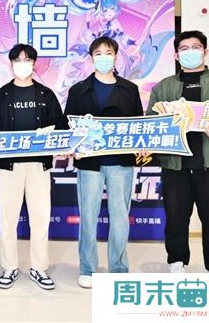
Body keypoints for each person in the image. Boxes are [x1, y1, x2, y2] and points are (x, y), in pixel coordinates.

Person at [147, 30, 209, 274]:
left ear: (205, 51)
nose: (190, 52)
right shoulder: (164, 87)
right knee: (175, 216)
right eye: (184, 48)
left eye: (195, 47)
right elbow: (151, 121)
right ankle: (176, 261)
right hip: (174, 164)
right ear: (176, 55)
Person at [0, 43, 66, 290]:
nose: (22, 64)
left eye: (27, 60)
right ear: (11, 64)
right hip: (9, 167)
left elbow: (61, 128)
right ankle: (9, 267)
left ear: (34, 63)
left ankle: (39, 268)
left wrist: (52, 136)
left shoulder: (46, 95)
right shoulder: (0, 96)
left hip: (39, 166)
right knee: (8, 219)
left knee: (40, 218)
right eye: (17, 60)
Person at [63, 36, 144, 289]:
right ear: (91, 58)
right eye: (98, 53)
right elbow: (68, 127)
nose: (104, 57)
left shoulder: (129, 89)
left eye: (108, 53)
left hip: (121, 162)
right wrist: (73, 148)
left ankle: (118, 267)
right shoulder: (78, 90)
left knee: (120, 216)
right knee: (88, 216)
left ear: (116, 56)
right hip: (89, 163)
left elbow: (139, 125)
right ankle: (87, 268)